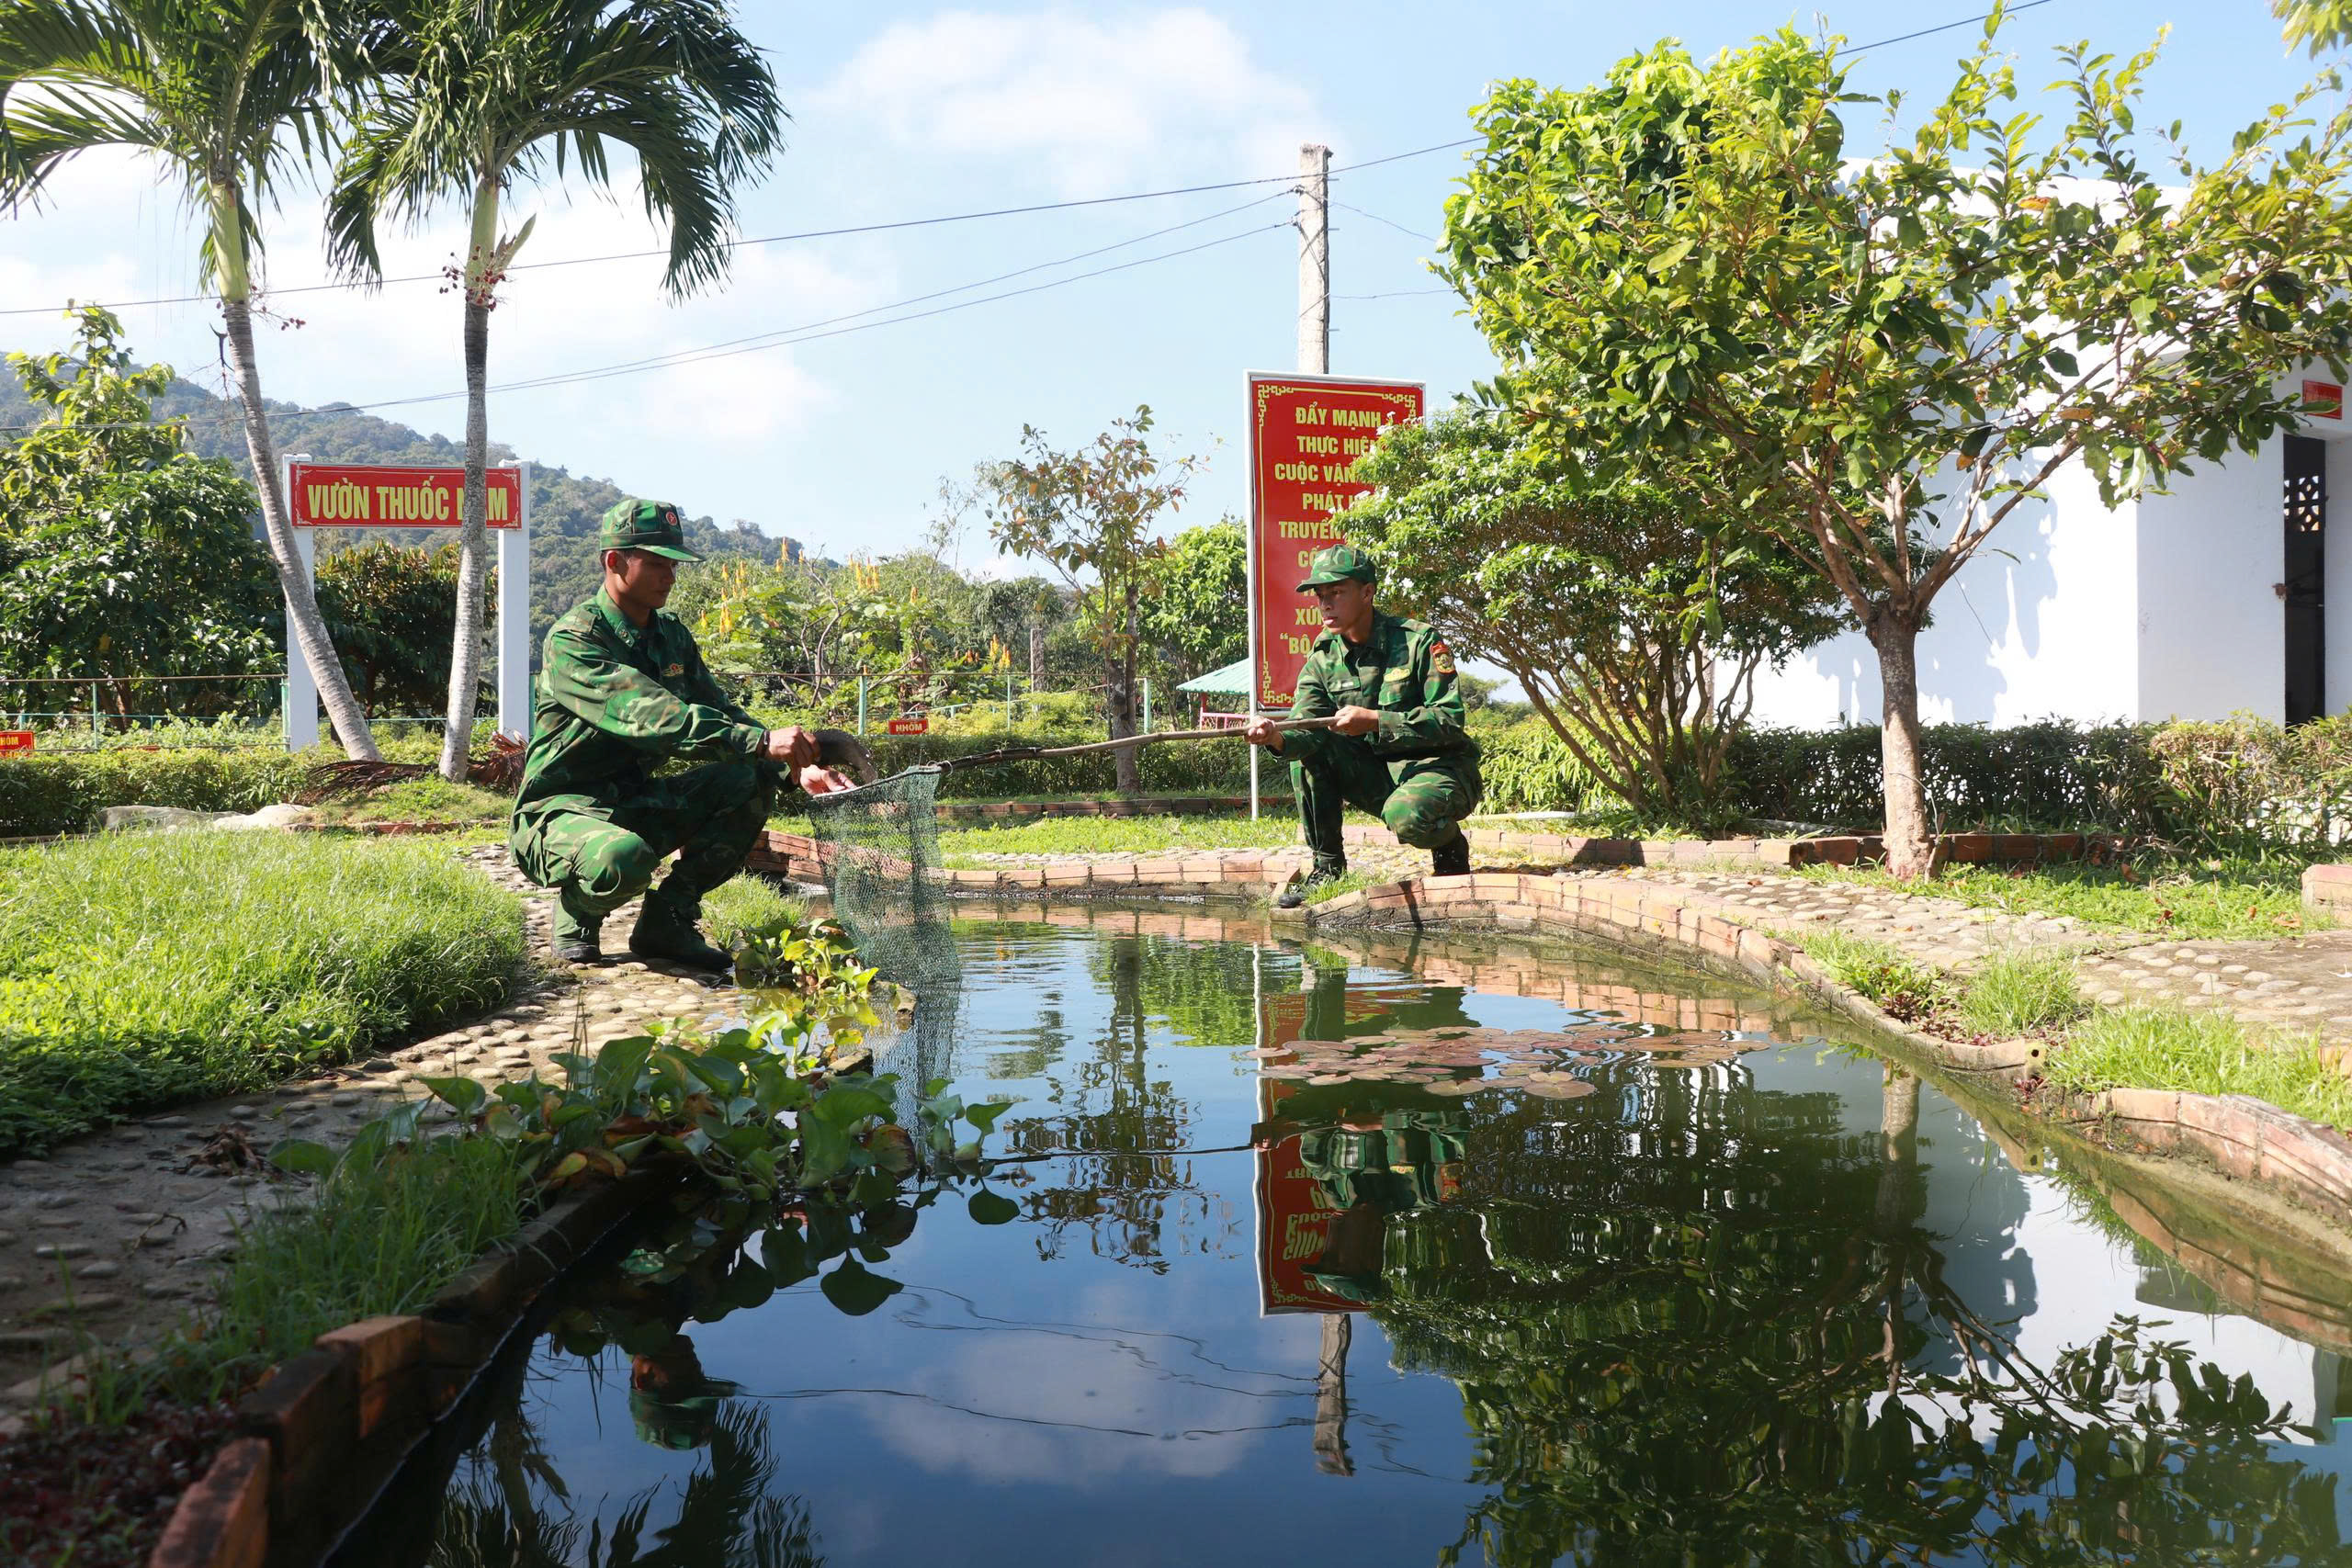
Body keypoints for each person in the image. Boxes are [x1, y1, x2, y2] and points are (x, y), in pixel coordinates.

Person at [509, 498, 849, 969]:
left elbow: (719, 710)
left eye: (673, 564)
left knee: (749, 781)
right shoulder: (575, 640)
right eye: (655, 563)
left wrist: (794, 767)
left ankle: (667, 920)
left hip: (635, 801)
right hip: (561, 812)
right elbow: (654, 716)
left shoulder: (671, 636)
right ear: (615, 561)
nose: (669, 575)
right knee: (623, 859)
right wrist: (760, 743)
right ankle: (577, 911)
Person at [1245, 545, 1479, 907]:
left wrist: (1375, 721)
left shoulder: (1418, 642)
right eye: (1320, 596)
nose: (1325, 604)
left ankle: (1449, 845)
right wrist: (1275, 735)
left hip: (1438, 771)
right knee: (1310, 752)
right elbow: (1305, 727)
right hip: (1379, 777)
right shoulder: (1323, 657)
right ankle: (1328, 867)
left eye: (1336, 593)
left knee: (1407, 817)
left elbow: (1449, 721)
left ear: (1367, 592)